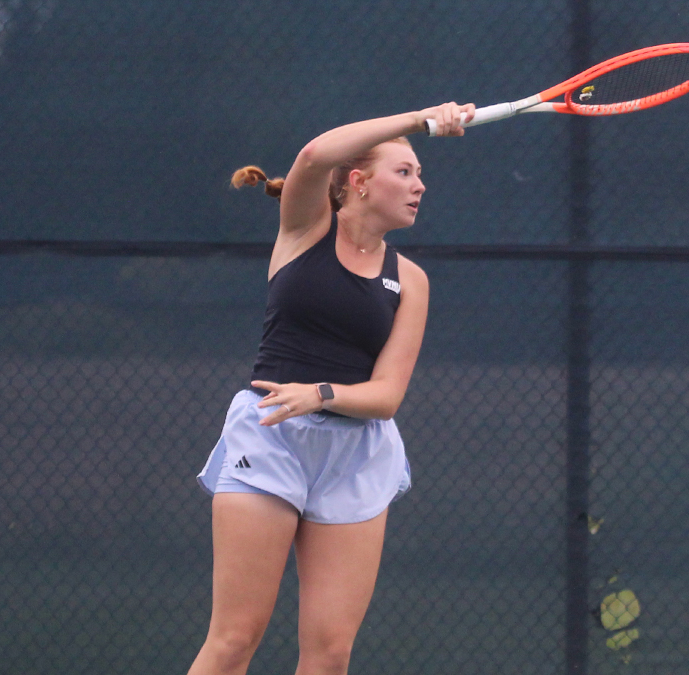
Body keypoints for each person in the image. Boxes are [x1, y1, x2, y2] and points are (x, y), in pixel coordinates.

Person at [187, 101, 475, 675]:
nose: (420, 184)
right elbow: (316, 155)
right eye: (405, 172)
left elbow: (387, 395)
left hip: (357, 454)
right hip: (270, 436)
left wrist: (320, 393)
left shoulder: (410, 280)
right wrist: (420, 120)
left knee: (330, 653)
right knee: (235, 638)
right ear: (358, 182)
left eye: (420, 174)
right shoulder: (305, 227)